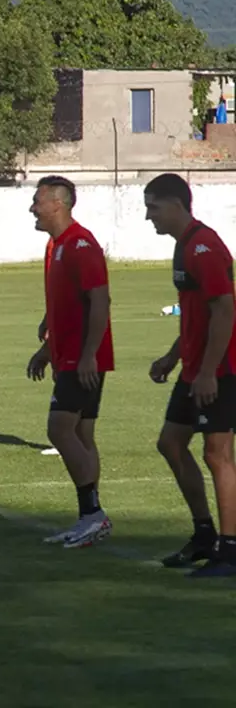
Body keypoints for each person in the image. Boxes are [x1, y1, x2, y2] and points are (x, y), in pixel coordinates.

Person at [144, 172, 236, 577]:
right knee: (171, 443)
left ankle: (229, 551)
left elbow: (224, 310)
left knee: (217, 454)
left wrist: (210, 372)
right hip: (196, 368)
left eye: (153, 208)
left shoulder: (203, 246)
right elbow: (197, 316)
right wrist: (172, 356)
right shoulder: (184, 246)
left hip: (220, 369)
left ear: (177, 205)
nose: (149, 216)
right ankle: (204, 534)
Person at [25, 176, 114, 548]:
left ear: (57, 204)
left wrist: (89, 354)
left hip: (82, 359)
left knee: (59, 430)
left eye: (37, 201)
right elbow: (67, 308)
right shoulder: (58, 246)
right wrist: (47, 350)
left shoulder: (80, 244)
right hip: (70, 355)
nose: (32, 208)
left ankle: (93, 514)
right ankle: (89, 517)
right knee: (81, 435)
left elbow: (100, 301)